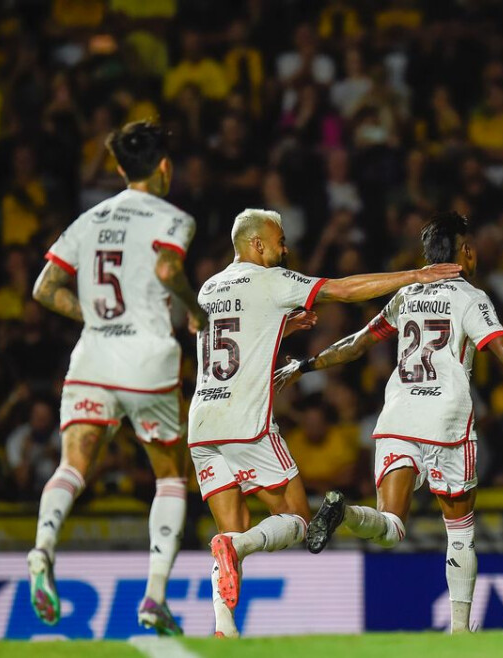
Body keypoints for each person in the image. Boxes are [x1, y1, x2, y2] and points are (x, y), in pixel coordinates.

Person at [274, 211, 503, 634]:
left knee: (391, 526)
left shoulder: (406, 296)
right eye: (470, 245)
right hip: (445, 420)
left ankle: (345, 512)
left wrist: (306, 365)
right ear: (463, 252)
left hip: (398, 417)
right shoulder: (469, 297)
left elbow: (358, 343)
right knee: (459, 529)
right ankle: (460, 632)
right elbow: (502, 349)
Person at [194, 208, 461, 638]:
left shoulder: (210, 288)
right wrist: (413, 276)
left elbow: (234, 337)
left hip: (202, 424)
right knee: (297, 518)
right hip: (246, 423)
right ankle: (237, 547)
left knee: (231, 524)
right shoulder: (271, 281)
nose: (286, 249)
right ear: (256, 244)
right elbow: (344, 289)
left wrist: (281, 326)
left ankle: (224, 626)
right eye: (279, 241)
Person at [26, 121, 207, 635]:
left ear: (121, 169)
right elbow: (170, 273)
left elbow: (44, 287)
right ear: (164, 168)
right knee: (171, 475)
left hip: (93, 357)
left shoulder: (90, 219)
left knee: (74, 465)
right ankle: (153, 596)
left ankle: (42, 548)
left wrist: (97, 317)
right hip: (147, 359)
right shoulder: (174, 219)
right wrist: (194, 311)